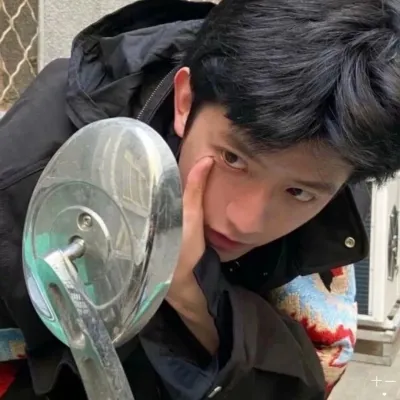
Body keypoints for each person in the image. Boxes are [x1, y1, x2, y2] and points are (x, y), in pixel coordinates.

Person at [0, 0, 398, 398]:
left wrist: (193, 299)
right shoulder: (31, 181)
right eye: (233, 159)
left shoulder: (340, 150)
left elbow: (304, 379)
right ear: (185, 100)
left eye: (298, 192)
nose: (245, 221)